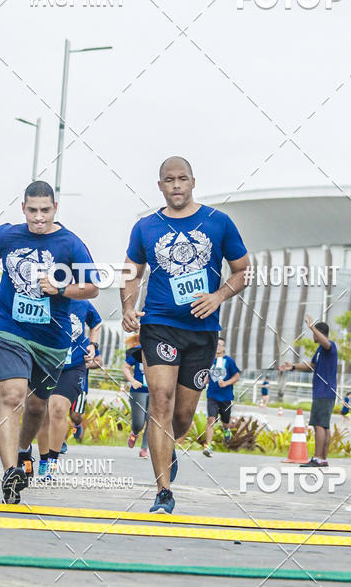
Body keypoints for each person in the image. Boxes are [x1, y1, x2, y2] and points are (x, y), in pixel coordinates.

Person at [121, 156, 250, 514]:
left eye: (181, 179)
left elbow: (241, 271)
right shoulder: (146, 226)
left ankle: (169, 448)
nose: (176, 185)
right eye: (168, 180)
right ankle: (163, 491)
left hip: (202, 332)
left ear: (193, 182)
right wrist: (129, 306)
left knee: (182, 417)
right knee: (160, 401)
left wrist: (218, 296)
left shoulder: (218, 223)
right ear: (160, 186)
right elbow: (132, 271)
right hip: (159, 323)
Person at [0, 180, 99, 504]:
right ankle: (11, 472)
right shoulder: (8, 235)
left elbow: (92, 288)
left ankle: (25, 448)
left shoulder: (71, 244)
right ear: (23, 209)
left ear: (55, 209)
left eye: (44, 210)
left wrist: (61, 290)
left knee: (37, 405)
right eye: (32, 210)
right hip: (9, 326)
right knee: (12, 395)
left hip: (51, 339)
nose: (38, 217)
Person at [36, 298, 102, 477]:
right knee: (43, 414)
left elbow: (96, 323)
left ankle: (52, 463)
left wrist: (93, 344)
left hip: (73, 366)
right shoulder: (43, 298)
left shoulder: (82, 303)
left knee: (58, 409)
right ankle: (42, 460)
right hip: (46, 364)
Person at [281, 314, 338, 468]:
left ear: (318, 333)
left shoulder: (329, 346)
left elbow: (326, 342)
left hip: (324, 392)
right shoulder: (320, 350)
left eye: (314, 333)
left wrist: (312, 326)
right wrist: (292, 366)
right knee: (324, 426)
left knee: (319, 425)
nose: (313, 336)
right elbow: (311, 365)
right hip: (324, 392)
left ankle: (318, 458)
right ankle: (323, 459)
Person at [202, 336, 239, 457]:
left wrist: (226, 383)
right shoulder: (209, 360)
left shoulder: (229, 361)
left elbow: (236, 376)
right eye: (216, 344)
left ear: (224, 347)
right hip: (212, 395)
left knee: (225, 421)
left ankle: (226, 429)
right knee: (211, 420)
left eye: (221, 345)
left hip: (226, 397)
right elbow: (205, 375)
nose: (218, 346)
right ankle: (208, 446)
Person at [123, 333, 150, 459]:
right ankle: (135, 432)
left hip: (155, 392)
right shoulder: (138, 350)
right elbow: (125, 367)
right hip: (138, 390)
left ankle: (144, 448)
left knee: (152, 421)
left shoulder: (161, 351)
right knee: (139, 422)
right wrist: (132, 381)